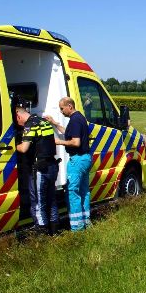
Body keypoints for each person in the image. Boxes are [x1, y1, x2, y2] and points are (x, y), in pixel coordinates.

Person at [44, 97, 92, 231]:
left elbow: (75, 142)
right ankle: (86, 221)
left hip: (77, 160)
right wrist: (54, 123)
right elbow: (69, 133)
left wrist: (57, 142)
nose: (61, 111)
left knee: (73, 192)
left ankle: (77, 227)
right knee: (84, 191)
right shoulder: (79, 118)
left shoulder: (75, 120)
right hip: (85, 159)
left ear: (69, 106)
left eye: (62, 108)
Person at [15, 106, 59, 235]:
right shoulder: (43, 121)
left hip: (39, 169)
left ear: (19, 116)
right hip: (52, 165)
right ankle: (54, 231)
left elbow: (23, 148)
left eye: (16, 120)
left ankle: (42, 233)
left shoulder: (30, 125)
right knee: (51, 199)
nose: (18, 124)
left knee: (38, 202)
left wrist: (13, 145)